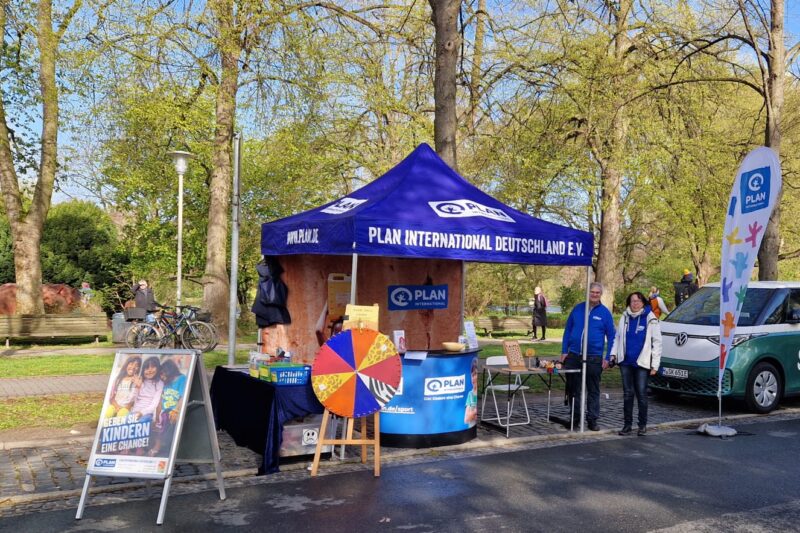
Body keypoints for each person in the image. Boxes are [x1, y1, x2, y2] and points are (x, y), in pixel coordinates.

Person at [560, 282, 615, 431]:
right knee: (573, 389)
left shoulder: (604, 313)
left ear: (600, 294)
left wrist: (608, 357)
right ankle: (575, 418)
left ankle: (592, 420)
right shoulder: (578, 309)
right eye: (592, 292)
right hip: (574, 356)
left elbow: (612, 336)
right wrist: (564, 350)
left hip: (594, 357)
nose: (594, 294)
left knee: (593, 390)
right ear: (587, 292)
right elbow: (567, 330)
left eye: (597, 292)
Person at [610, 291, 662, 436]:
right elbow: (617, 338)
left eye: (638, 301)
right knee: (627, 394)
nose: (635, 304)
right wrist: (613, 354)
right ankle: (627, 425)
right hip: (625, 362)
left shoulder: (651, 318)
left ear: (643, 303)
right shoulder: (624, 317)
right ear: (629, 303)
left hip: (642, 363)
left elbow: (657, 343)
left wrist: (655, 365)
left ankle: (642, 425)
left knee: (641, 394)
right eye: (632, 301)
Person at [149, 358, 187, 456]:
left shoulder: (182, 379)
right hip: (164, 411)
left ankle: (158, 446)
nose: (161, 377)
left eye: (163, 374)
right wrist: (157, 415)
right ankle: (159, 444)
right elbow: (161, 400)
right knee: (158, 421)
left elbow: (183, 397)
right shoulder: (165, 383)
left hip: (174, 410)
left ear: (170, 371)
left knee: (165, 418)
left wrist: (176, 410)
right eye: (160, 374)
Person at [104, 355, 142, 419]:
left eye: (137, 365)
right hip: (115, 404)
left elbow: (136, 399)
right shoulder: (118, 379)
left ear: (139, 368)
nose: (133, 367)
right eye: (131, 364)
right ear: (126, 365)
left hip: (127, 407)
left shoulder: (138, 380)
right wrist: (117, 407)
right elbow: (112, 397)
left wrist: (138, 386)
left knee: (121, 416)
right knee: (108, 413)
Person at [130, 356, 164, 423]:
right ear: (143, 370)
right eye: (147, 368)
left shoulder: (159, 383)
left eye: (153, 367)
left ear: (158, 368)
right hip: (134, 412)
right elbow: (132, 399)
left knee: (139, 424)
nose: (149, 370)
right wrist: (137, 387)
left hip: (147, 414)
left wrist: (142, 413)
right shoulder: (140, 381)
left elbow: (154, 404)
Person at [464, 358, 479, 425]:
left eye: (476, 374)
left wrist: (472, 414)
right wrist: (474, 412)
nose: (473, 378)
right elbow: (466, 419)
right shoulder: (470, 394)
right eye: (472, 375)